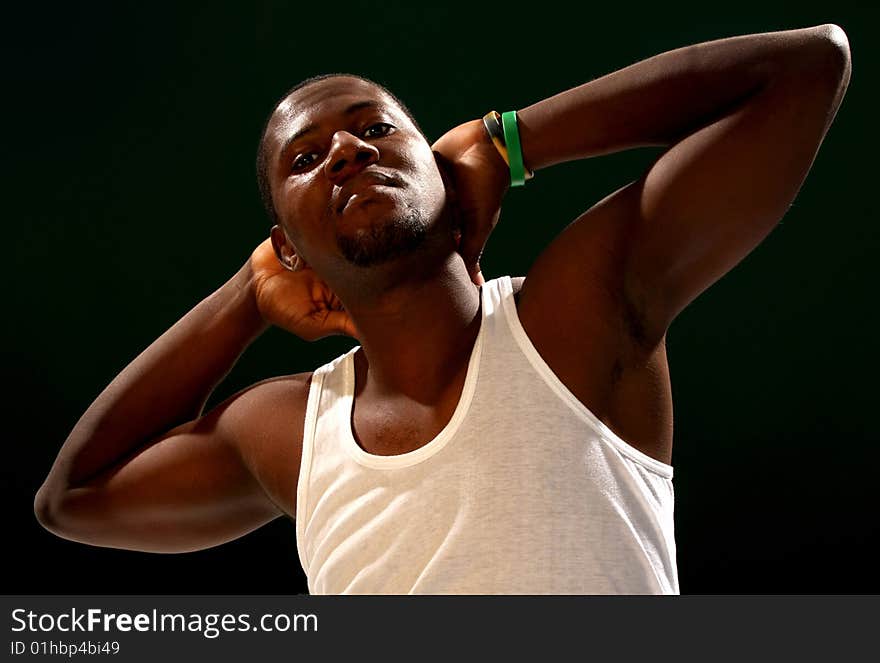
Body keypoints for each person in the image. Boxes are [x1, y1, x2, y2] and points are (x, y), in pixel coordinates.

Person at [34, 24, 851, 594]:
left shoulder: (575, 314)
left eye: (377, 128)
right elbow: (72, 499)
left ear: (436, 162)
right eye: (308, 158)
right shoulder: (291, 432)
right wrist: (246, 300)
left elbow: (808, 67)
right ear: (286, 245)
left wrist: (515, 139)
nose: (349, 151)